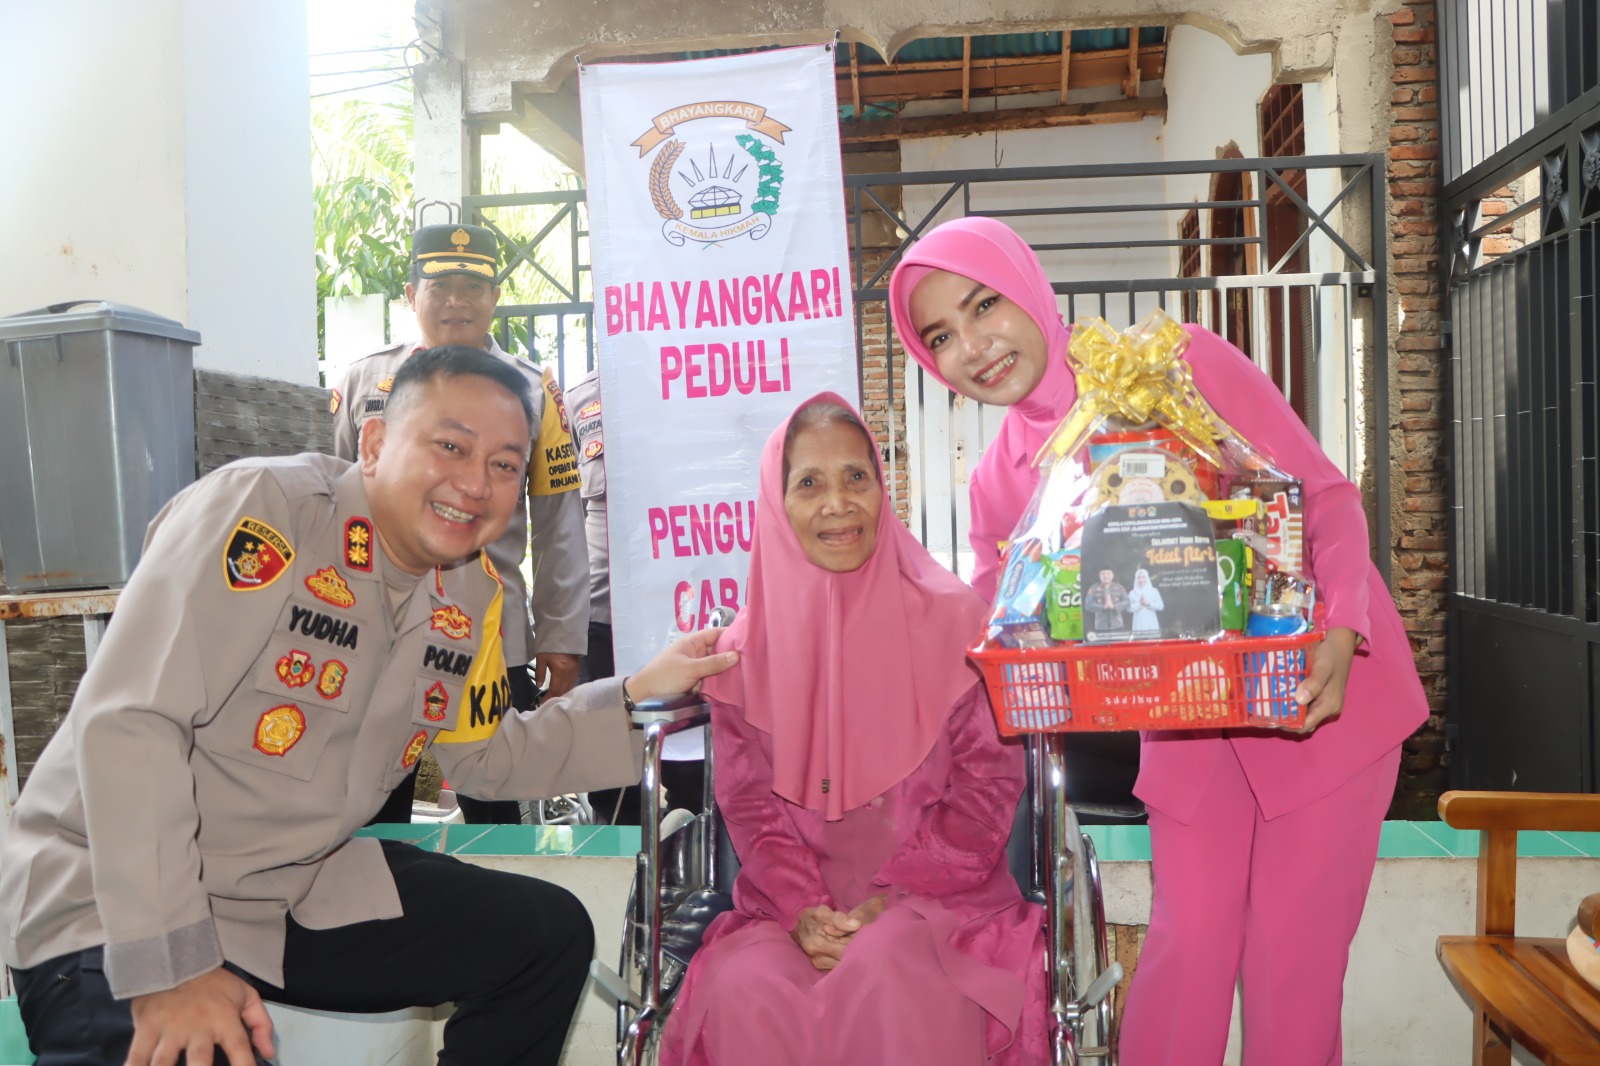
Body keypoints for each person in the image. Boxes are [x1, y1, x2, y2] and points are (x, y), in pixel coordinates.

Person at [0, 345, 739, 1066]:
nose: (474, 483)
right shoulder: (267, 512)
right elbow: (131, 721)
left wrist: (639, 695)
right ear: (376, 442)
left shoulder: (467, 588)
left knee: (545, 935)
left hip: (285, 888)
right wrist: (172, 965)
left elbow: (486, 759)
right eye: (451, 446)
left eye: (504, 465)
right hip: (114, 903)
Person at [889, 216, 1429, 1065]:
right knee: (1187, 951)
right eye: (941, 336)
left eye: (983, 303)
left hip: (1319, 697)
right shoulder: (1002, 483)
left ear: (1027, 285)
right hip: (1186, 732)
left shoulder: (1175, 364)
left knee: (1291, 966)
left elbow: (1323, 495)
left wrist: (1344, 629)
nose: (973, 346)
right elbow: (1002, 628)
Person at [659, 394, 1046, 1066]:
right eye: (809, 483)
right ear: (777, 503)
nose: (837, 504)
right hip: (788, 912)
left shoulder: (959, 623)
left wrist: (889, 901)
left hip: (939, 903)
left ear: (881, 489)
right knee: (747, 986)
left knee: (889, 970)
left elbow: (985, 793)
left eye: (856, 477)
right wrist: (805, 910)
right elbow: (750, 808)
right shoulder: (742, 652)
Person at [330, 222, 588, 825]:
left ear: (495, 297)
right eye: (440, 285)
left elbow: (559, 523)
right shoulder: (363, 382)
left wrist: (561, 636)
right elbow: (337, 506)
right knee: (371, 808)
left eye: (473, 287)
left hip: (491, 637)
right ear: (410, 294)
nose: (457, 301)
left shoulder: (534, 391)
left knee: (495, 808)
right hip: (381, 628)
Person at [568, 368, 706, 825]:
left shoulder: (693, 376)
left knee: (694, 770)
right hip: (602, 614)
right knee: (611, 778)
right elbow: (564, 514)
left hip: (682, 613)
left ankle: (691, 860)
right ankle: (619, 866)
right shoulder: (579, 398)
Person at [1084, 567, 1130, 632]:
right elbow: (1087, 605)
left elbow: (1127, 602)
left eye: (1108, 573)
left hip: (1117, 624)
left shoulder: (1119, 587)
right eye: (1103, 574)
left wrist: (1114, 606)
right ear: (1099, 575)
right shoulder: (1094, 588)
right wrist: (1103, 607)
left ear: (1112, 575)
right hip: (1100, 626)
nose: (1106, 576)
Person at [1128, 569, 1163, 636]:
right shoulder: (1132, 593)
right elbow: (1129, 609)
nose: (1141, 580)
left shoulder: (1154, 591)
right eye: (1139, 577)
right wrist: (1139, 604)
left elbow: (1161, 606)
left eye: (1144, 577)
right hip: (1138, 622)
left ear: (1147, 578)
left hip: (1151, 621)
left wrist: (1148, 604)